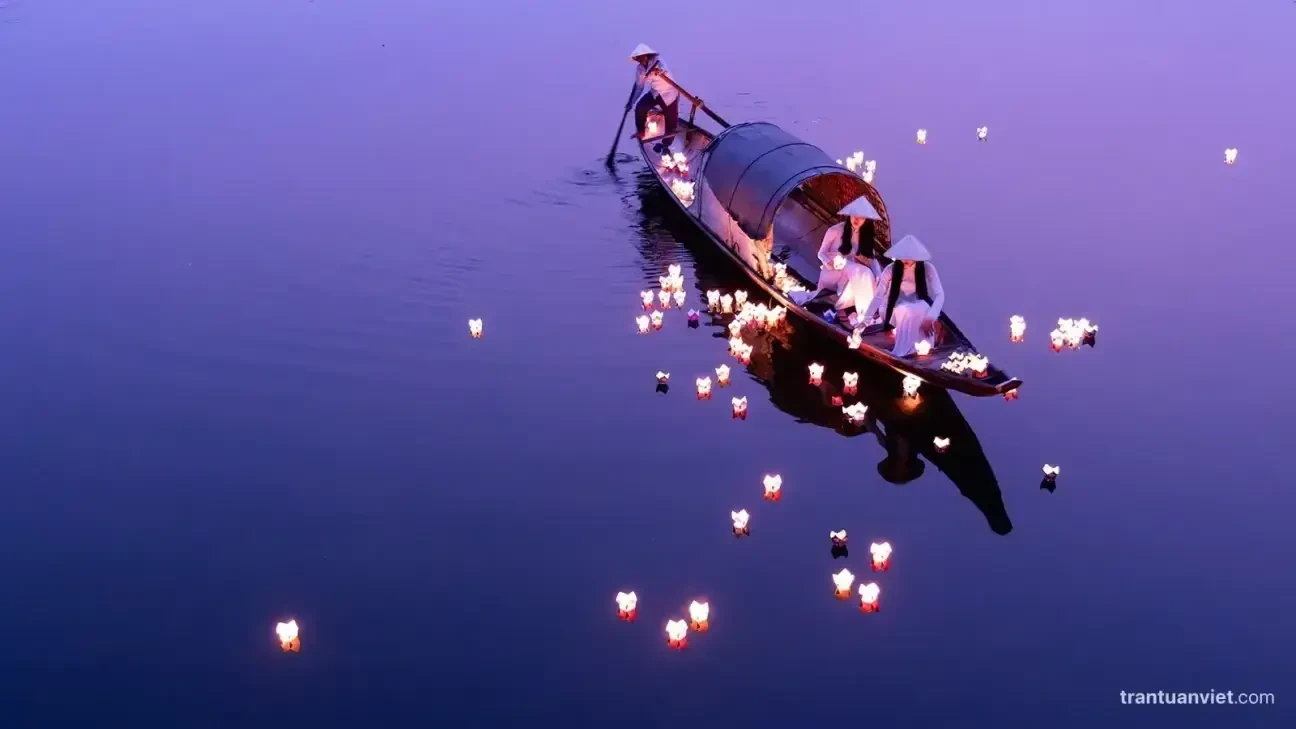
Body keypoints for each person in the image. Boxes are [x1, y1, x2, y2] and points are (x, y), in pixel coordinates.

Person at [856, 234, 946, 357]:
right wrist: (865, 321)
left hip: (916, 304)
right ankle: (904, 351)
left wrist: (931, 317)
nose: (905, 261)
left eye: (909, 258)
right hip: (892, 307)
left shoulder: (927, 268)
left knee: (923, 307)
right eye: (902, 258)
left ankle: (923, 347)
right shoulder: (891, 269)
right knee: (907, 310)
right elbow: (879, 296)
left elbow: (940, 294)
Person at [793, 196, 883, 313]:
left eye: (861, 218)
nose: (856, 219)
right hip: (832, 271)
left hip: (849, 275)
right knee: (862, 272)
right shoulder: (835, 230)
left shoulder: (865, 237)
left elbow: (872, 259)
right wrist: (828, 263)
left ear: (866, 220)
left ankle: (866, 311)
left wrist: (878, 274)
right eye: (854, 215)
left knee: (865, 277)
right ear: (849, 214)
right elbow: (821, 253)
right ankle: (866, 312)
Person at [628, 44, 679, 153]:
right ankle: (642, 131)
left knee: (671, 124)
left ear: (646, 56)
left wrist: (660, 70)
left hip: (668, 93)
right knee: (640, 107)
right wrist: (631, 103)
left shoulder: (658, 60)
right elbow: (639, 87)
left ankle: (665, 144)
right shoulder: (640, 69)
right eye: (637, 58)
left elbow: (663, 67)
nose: (639, 60)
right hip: (655, 93)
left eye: (641, 57)